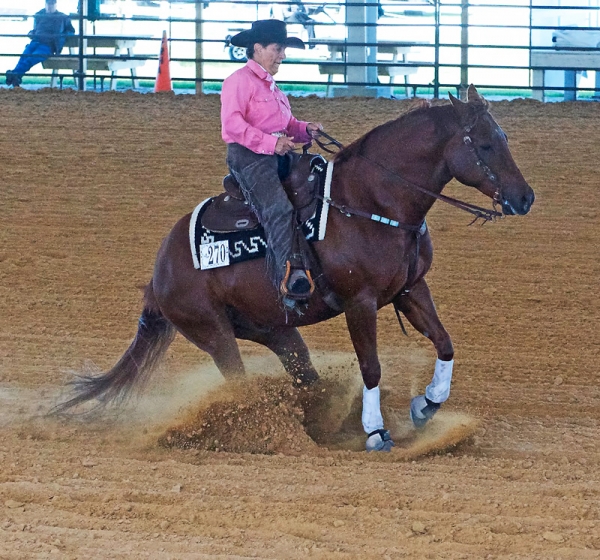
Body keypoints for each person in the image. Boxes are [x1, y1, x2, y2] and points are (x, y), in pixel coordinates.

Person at [221, 19, 323, 305]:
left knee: (320, 179)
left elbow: (286, 123)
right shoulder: (238, 81)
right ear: (258, 48)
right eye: (278, 49)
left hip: (277, 154)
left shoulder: (271, 86)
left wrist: (304, 129)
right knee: (278, 209)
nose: (283, 56)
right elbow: (231, 126)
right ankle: (291, 277)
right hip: (250, 158)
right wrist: (271, 143)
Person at [5, 0, 75, 87]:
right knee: (24, 56)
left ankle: (14, 75)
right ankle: (16, 76)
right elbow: (36, 29)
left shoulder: (63, 17)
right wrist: (32, 33)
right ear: (45, 4)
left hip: (48, 45)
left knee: (31, 58)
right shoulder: (39, 15)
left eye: (52, 4)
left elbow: (71, 31)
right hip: (35, 42)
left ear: (56, 5)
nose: (50, 6)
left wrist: (61, 36)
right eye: (48, 4)